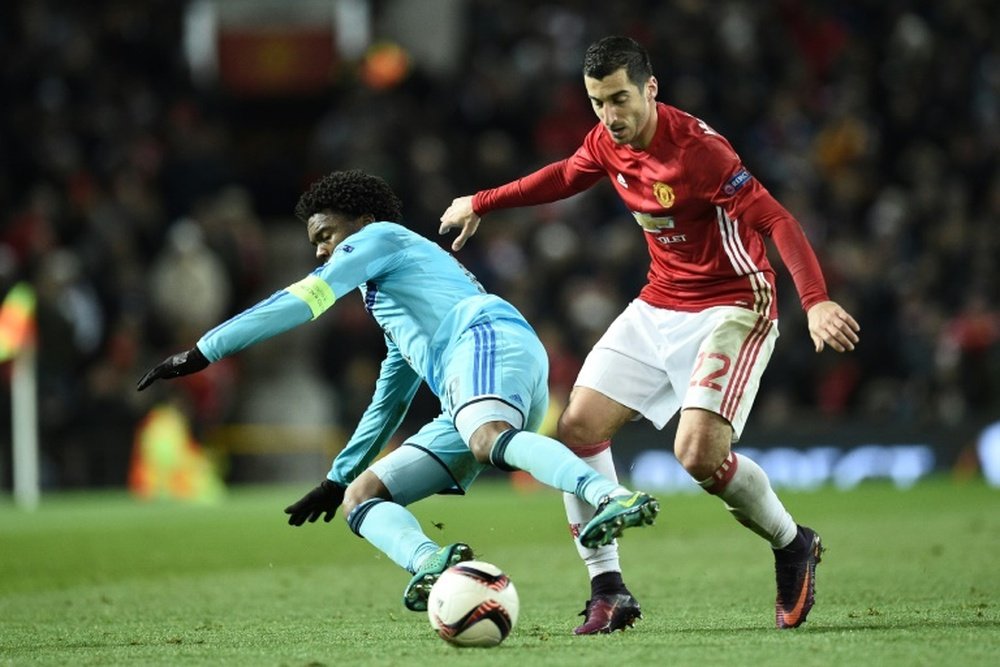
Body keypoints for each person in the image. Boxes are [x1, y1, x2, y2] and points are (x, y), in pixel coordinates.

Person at [439, 35, 861, 634]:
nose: (610, 116)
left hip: (733, 305)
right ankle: (608, 589)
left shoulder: (698, 152)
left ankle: (793, 543)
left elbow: (775, 219)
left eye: (619, 99)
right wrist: (481, 201)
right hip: (658, 302)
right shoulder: (605, 141)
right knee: (578, 428)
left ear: (650, 89)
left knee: (697, 456)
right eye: (597, 103)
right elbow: (563, 176)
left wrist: (815, 302)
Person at [137, 169, 659, 614]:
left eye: (325, 234)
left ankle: (608, 494)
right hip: (482, 369)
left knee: (486, 436)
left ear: (360, 221)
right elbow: (390, 398)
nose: (320, 250)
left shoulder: (381, 236)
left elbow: (302, 301)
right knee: (364, 498)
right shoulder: (397, 299)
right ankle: (433, 563)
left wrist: (203, 350)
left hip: (484, 338)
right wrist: (338, 478)